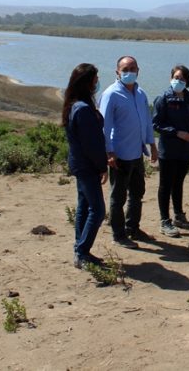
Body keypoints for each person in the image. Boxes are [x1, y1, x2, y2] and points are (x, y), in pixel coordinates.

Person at [99, 55, 158, 249]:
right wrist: (108, 151)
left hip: (137, 153)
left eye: (132, 68)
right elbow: (104, 126)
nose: (129, 72)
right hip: (120, 154)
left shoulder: (140, 94)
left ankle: (133, 227)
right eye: (125, 69)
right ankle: (119, 234)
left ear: (138, 70)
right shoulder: (111, 94)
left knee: (137, 192)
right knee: (118, 197)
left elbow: (147, 122)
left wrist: (152, 145)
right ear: (117, 72)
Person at [62, 63, 108, 269]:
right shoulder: (82, 109)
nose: (97, 83)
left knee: (84, 206)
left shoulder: (75, 105)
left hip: (80, 164)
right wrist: (102, 166)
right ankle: (82, 252)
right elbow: (92, 144)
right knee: (97, 210)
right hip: (87, 165)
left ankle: (80, 248)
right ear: (87, 82)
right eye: (95, 80)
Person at [152, 64, 189, 238]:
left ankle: (178, 215)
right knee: (165, 185)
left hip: (185, 150)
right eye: (176, 77)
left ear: (187, 81)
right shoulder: (163, 99)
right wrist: (177, 132)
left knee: (178, 182)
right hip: (168, 151)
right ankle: (165, 221)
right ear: (171, 78)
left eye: (182, 78)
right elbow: (156, 124)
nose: (178, 80)